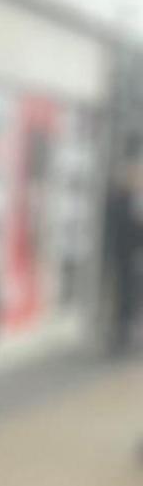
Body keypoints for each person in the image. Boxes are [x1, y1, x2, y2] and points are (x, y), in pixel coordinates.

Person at [104, 133, 141, 356]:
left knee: (127, 293)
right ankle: (123, 330)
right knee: (125, 293)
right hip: (126, 255)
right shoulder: (123, 202)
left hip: (127, 254)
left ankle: (124, 330)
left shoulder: (123, 200)